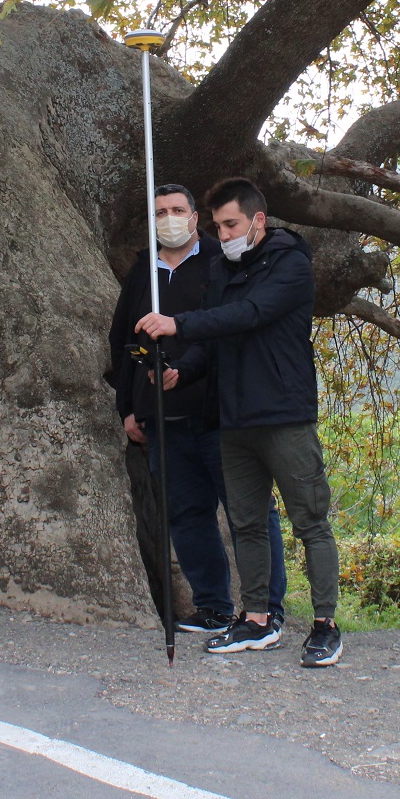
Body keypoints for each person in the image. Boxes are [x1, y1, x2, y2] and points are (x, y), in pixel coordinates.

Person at [138, 177, 343, 668]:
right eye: (217, 225)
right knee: (246, 523)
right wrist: (181, 369)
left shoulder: (290, 263)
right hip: (234, 417)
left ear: (258, 221)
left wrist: (178, 323)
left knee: (310, 522)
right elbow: (215, 341)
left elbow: (249, 315)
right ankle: (256, 619)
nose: (222, 233)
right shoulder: (221, 270)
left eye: (230, 224)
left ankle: (325, 625)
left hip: (285, 415)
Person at [106, 184, 288, 635]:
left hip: (219, 413)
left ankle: (267, 607)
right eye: (160, 212)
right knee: (186, 516)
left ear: (194, 217)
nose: (169, 218)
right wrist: (128, 408)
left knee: (249, 512)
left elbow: (235, 327)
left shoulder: (220, 261)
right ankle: (212, 607)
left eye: (178, 210)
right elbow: (121, 342)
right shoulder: (141, 272)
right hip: (160, 418)